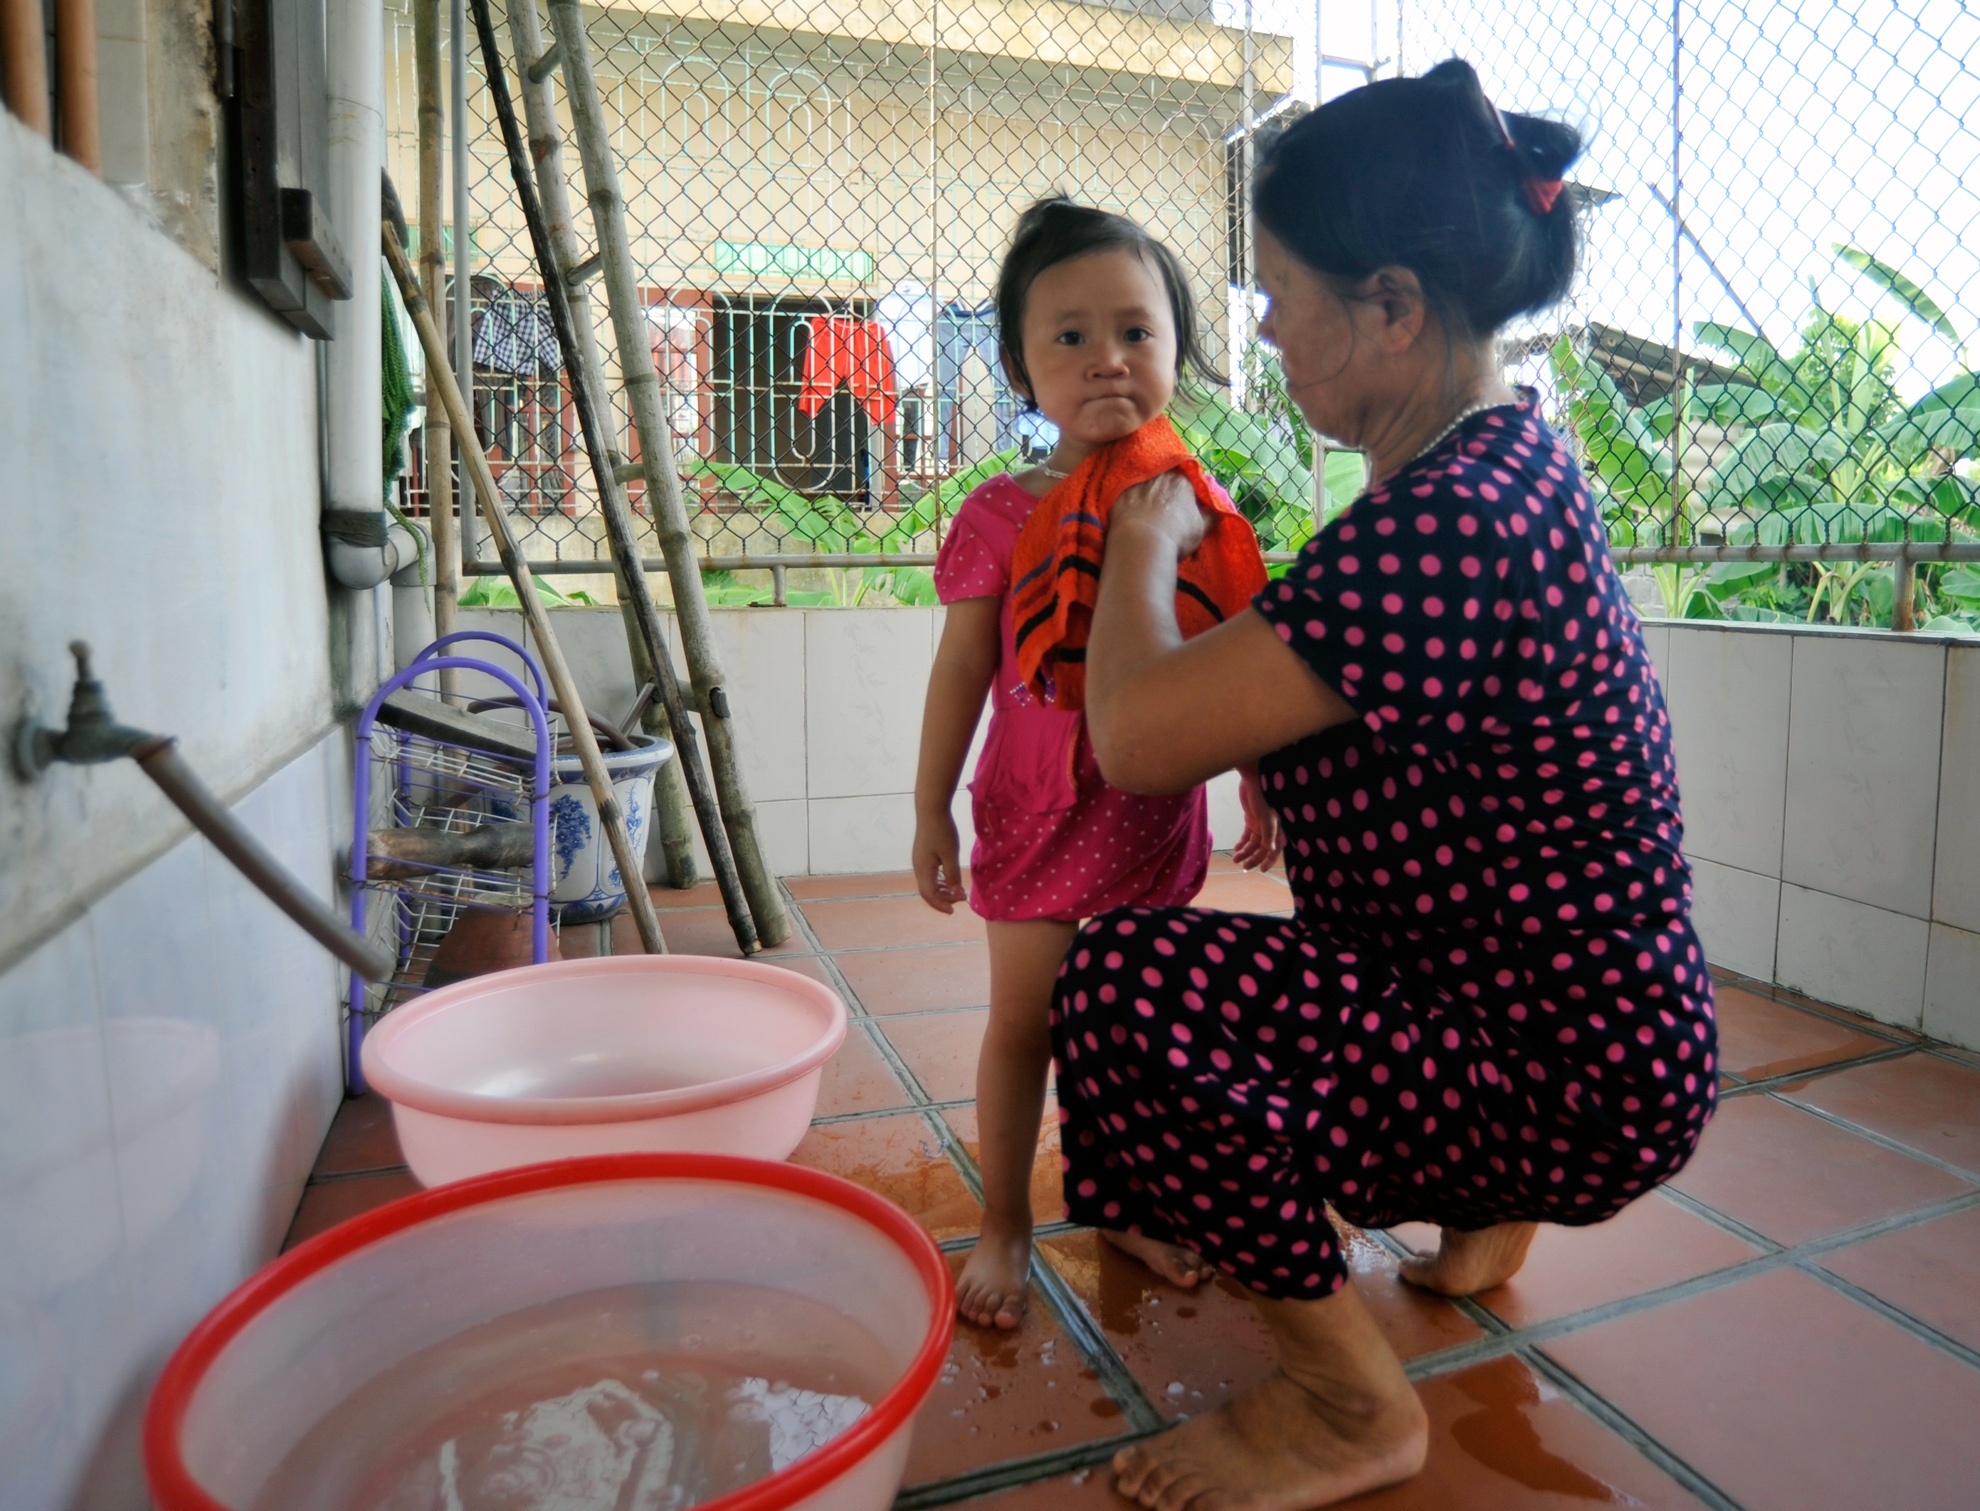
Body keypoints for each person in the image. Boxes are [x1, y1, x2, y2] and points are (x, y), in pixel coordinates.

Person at [1055, 61, 1719, 1509]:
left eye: (1281, 294)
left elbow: (1137, 735)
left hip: (1562, 1076)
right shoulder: (1511, 463)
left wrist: (1138, 544)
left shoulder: (1445, 525)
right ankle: (1485, 1221)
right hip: (1601, 1032)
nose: (1266, 330)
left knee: (1121, 986)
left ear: (1394, 307)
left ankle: (1346, 1403)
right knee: (1368, 950)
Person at [913, 199, 1283, 1332]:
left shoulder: (1187, 506)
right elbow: (962, 670)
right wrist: (930, 807)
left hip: (1149, 809)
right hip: (1033, 811)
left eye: (1135, 330)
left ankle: (1124, 1202)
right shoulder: (1000, 513)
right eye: (1069, 335)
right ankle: (1007, 1222)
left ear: (1178, 349)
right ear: (1021, 366)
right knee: (1026, 1021)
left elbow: (1233, 645)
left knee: (1130, 1029)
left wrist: (1255, 772)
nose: (1106, 357)